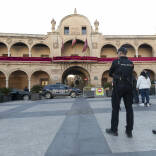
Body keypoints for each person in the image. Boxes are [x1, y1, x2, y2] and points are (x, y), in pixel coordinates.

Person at [106, 46, 134, 138]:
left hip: (118, 87)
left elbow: (110, 73)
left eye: (118, 52)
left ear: (121, 53)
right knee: (129, 109)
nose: (117, 54)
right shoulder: (131, 63)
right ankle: (129, 131)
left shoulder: (116, 62)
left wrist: (116, 76)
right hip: (129, 87)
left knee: (115, 109)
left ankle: (114, 130)